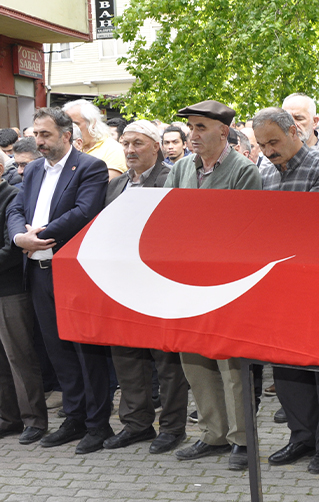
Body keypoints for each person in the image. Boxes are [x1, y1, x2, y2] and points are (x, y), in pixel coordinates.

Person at [6, 107, 111, 454]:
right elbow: (16, 209)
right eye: (36, 134)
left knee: (85, 349)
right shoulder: (33, 169)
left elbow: (84, 211)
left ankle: (98, 424)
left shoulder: (90, 167)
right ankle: (74, 417)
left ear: (67, 135)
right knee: (57, 349)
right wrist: (20, 239)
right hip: (37, 271)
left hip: (72, 271)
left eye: (46, 134)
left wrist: (40, 234)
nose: (39, 141)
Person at [166, 100, 262, 471]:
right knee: (193, 360)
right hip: (187, 281)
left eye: (201, 127)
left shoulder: (243, 171)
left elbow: (245, 232)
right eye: (191, 128)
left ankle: (242, 440)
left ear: (224, 131)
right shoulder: (181, 169)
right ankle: (212, 434)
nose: (193, 135)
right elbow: (168, 218)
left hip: (226, 283)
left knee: (231, 367)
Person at [251, 107, 319, 474]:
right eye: (261, 144)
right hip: (278, 284)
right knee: (287, 370)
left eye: (273, 141)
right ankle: (300, 436)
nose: (268, 150)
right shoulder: (264, 172)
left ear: (294, 132)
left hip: (316, 285)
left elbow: (316, 226)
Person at [101, 120, 189, 454]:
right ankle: (136, 424)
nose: (129, 150)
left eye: (138, 144)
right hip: (121, 284)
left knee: (166, 360)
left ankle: (171, 427)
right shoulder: (116, 184)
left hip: (158, 282)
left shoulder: (172, 179)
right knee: (125, 355)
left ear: (156, 146)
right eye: (125, 143)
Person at [0, 152, 46, 446]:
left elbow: (15, 247)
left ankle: (34, 420)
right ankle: (8, 418)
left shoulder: (12, 196)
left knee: (20, 357)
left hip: (10, 290)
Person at [62, 99, 127, 179]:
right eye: (66, 125)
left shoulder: (113, 149)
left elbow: (106, 186)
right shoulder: (72, 147)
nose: (70, 129)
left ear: (92, 123)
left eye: (75, 124)